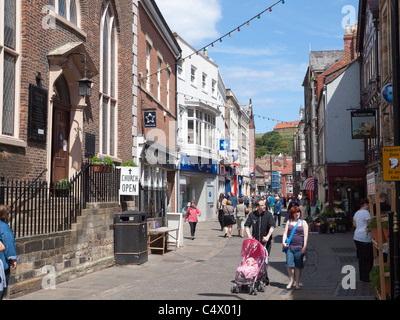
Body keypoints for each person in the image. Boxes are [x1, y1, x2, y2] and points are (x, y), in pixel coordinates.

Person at [245, 199, 275, 286]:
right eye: (262, 205)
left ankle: (263, 279)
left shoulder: (268, 214)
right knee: (255, 260)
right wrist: (249, 236)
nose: (264, 206)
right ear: (257, 207)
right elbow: (247, 225)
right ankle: (257, 277)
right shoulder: (252, 215)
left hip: (266, 242)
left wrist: (267, 236)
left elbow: (272, 226)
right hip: (255, 242)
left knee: (264, 260)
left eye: (264, 205)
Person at [282, 206, 308, 290]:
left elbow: (305, 235)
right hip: (290, 247)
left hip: (299, 247)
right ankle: (291, 281)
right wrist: (283, 242)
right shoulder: (289, 222)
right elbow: (285, 233)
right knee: (289, 265)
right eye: (295, 212)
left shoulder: (303, 222)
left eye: (298, 212)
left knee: (298, 266)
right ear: (291, 214)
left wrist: (304, 246)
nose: (297, 214)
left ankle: (297, 283)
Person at [353, 198, 373, 282]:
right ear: (366, 204)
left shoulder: (356, 213)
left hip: (357, 236)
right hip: (364, 237)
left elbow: (354, 224)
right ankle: (367, 276)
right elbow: (370, 223)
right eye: (368, 204)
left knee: (361, 257)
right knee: (368, 258)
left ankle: (362, 276)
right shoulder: (366, 212)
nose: (369, 206)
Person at [0, 205, 18, 300]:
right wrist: (13, 259)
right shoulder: (4, 228)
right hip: (2, 263)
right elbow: (8, 244)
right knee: (2, 288)